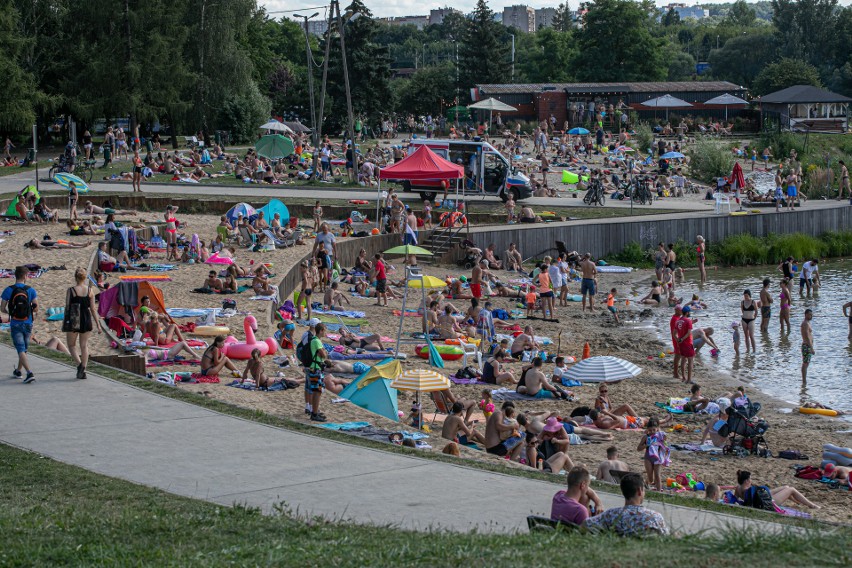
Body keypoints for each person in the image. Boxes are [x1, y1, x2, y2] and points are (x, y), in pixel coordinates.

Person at [583, 473, 669, 536]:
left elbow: (586, 524)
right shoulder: (655, 517)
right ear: (639, 491)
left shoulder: (611, 515)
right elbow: (666, 537)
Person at [62, 268, 100, 380]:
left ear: (75, 277)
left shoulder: (71, 290)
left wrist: (66, 321)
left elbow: (67, 306)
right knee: (84, 345)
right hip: (86, 317)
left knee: (71, 345)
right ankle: (83, 367)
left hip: (74, 317)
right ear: (84, 278)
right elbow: (93, 309)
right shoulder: (90, 290)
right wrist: (98, 324)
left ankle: (79, 366)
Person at [2, 266, 38, 383]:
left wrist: (10, 313)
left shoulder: (8, 290)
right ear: (25, 276)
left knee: (20, 349)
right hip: (28, 322)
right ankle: (18, 370)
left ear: (15, 276)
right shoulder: (31, 290)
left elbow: (2, 308)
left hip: (15, 323)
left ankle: (29, 373)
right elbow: (36, 307)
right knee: (23, 349)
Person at [733, 470, 819, 509]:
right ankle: (812, 505)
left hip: (762, 498)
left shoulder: (738, 488)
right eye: (750, 479)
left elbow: (734, 500)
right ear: (747, 480)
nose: (751, 481)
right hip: (767, 502)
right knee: (791, 489)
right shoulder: (749, 490)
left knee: (786, 487)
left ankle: (798, 502)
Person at [305, 322, 329, 422]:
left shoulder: (314, 340)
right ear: (321, 330)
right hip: (315, 368)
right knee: (317, 391)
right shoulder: (317, 341)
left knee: (313, 390)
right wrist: (324, 352)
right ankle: (314, 414)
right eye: (324, 331)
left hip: (312, 367)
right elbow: (323, 355)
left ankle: (314, 411)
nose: (325, 333)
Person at [675, 305, 695, 383]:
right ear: (687, 313)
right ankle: (689, 379)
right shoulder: (688, 320)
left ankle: (684, 377)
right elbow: (689, 332)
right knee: (690, 361)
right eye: (689, 312)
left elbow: (674, 333)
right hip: (688, 343)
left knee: (683, 359)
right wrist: (683, 338)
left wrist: (678, 340)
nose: (689, 313)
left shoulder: (678, 321)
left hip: (681, 343)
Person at [801, 308, 814, 382]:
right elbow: (807, 336)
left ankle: (804, 380)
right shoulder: (805, 323)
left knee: (806, 363)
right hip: (807, 346)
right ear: (806, 315)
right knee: (805, 364)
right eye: (809, 315)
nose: (811, 316)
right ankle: (804, 380)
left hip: (807, 345)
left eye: (811, 315)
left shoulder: (807, 323)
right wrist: (811, 348)